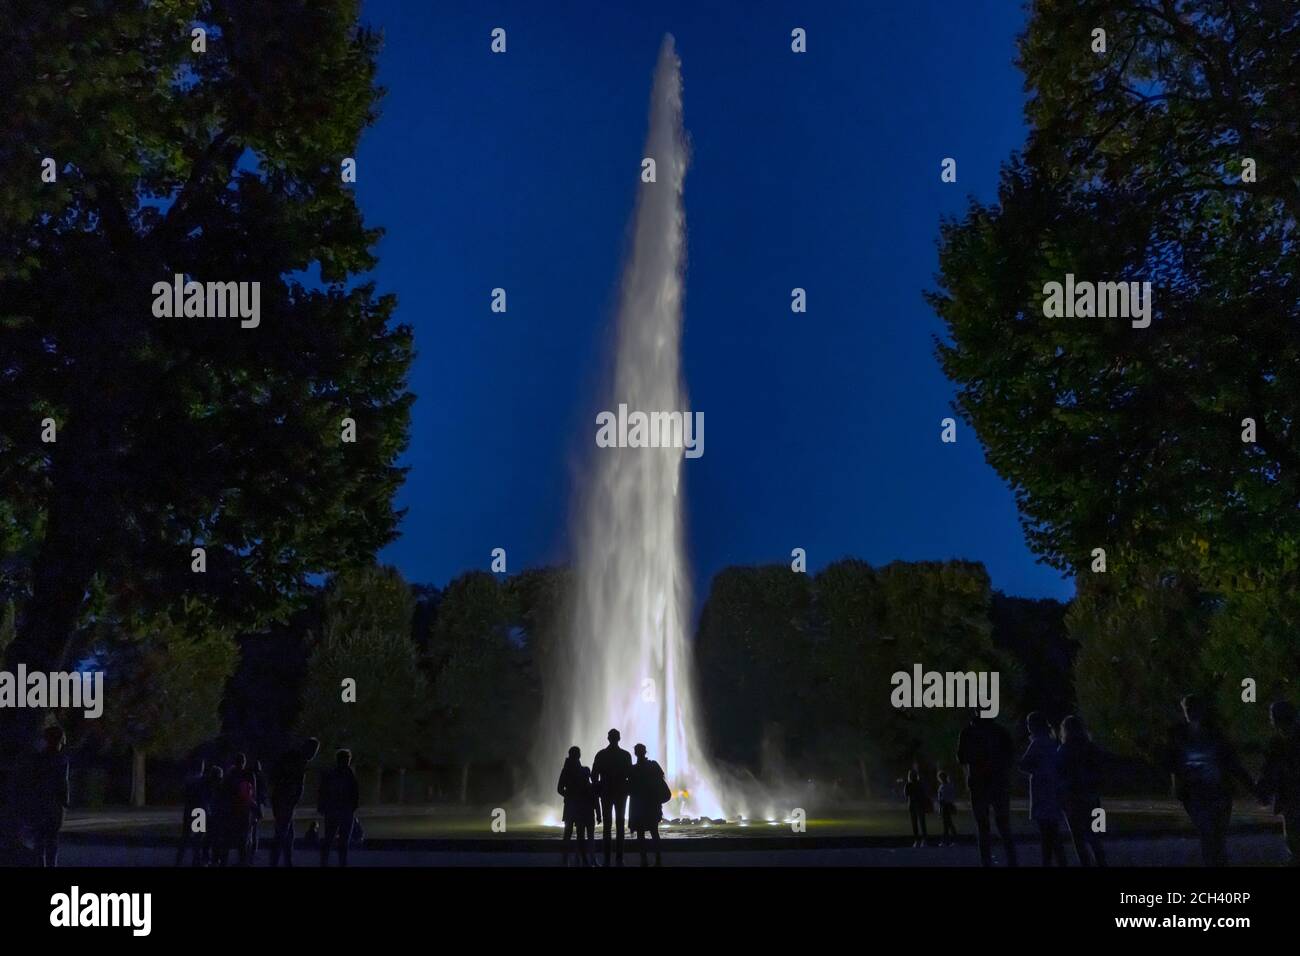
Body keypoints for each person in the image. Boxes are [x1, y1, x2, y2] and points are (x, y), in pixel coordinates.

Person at [1162, 694, 1253, 866]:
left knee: (1216, 837)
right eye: (1187, 709)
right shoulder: (1179, 735)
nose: (1190, 713)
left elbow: (1232, 763)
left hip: (1217, 792)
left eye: (1192, 709)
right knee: (1208, 835)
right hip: (1196, 794)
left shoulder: (1214, 735)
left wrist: (1251, 787)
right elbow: (1171, 764)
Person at [956, 709, 1018, 866]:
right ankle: (1012, 860)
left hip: (978, 782)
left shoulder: (968, 732)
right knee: (1003, 824)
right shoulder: (1000, 731)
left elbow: (961, 757)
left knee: (983, 825)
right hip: (999, 781)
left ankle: (986, 861)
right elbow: (1010, 755)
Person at [1057, 714, 1107, 866]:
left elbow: (1059, 773)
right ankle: (1101, 863)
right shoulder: (1092, 748)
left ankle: (1085, 863)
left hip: (1073, 798)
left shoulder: (1064, 750)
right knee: (1095, 836)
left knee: (1078, 837)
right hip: (1093, 797)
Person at [1019, 712, 1067, 866]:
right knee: (1053, 832)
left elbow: (1023, 764)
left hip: (1041, 790)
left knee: (1046, 833)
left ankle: (1047, 862)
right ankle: (1060, 861)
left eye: (1029, 724)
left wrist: (1035, 770)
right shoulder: (1053, 743)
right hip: (1053, 790)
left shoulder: (1037, 743)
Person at [1256, 700, 1300, 865]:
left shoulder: (1279, 742)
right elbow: (1269, 769)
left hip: (1290, 797)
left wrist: (1263, 792)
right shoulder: (1278, 742)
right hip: (1290, 798)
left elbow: (1269, 769)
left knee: (1294, 843)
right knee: (1294, 843)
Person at [270, 737, 320, 867]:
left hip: (282, 798)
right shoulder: (298, 761)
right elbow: (295, 784)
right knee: (283, 832)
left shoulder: (295, 758)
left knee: (287, 833)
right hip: (285, 800)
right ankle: (276, 861)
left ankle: (285, 860)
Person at [590, 728, 632, 866]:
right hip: (620, 793)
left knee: (607, 826)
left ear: (608, 738)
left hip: (606, 792)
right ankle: (619, 858)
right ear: (618, 738)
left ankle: (607, 858)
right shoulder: (625, 755)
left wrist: (598, 787)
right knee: (620, 825)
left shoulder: (601, 755)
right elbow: (630, 776)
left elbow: (594, 775)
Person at [29, 726, 69, 867]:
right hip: (53, 803)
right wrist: (65, 801)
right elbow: (63, 782)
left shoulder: (38, 759)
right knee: (51, 840)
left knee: (39, 841)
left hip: (40, 802)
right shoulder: (61, 759)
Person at [557, 746, 598, 867]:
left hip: (571, 805)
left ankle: (568, 858)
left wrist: (568, 796)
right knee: (577, 833)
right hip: (578, 805)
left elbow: (559, 789)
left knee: (568, 832)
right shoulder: (582, 770)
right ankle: (580, 858)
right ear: (578, 755)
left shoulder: (566, 770)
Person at [317, 748, 360, 866]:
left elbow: (322, 791)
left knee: (329, 837)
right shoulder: (349, 774)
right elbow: (355, 793)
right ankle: (341, 862)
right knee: (343, 839)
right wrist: (353, 807)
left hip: (333, 810)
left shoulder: (331, 773)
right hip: (344, 810)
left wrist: (322, 806)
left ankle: (324, 861)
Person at [627, 743, 667, 867]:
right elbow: (661, 779)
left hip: (639, 805)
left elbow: (629, 787)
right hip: (651, 804)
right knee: (654, 832)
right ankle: (658, 858)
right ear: (645, 752)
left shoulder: (633, 769)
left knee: (640, 834)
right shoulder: (653, 766)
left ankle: (643, 859)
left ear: (635, 753)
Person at [218, 753, 259, 867]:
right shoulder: (249, 775)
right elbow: (253, 794)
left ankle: (224, 861)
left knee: (228, 838)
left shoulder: (230, 775)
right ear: (244, 762)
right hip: (244, 810)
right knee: (244, 838)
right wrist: (255, 810)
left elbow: (224, 793)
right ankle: (243, 861)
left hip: (232, 810)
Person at [176, 758, 208, 867]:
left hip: (189, 809)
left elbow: (183, 794)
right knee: (198, 838)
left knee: (185, 836)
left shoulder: (188, 780)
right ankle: (196, 860)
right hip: (199, 810)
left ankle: (179, 860)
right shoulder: (202, 780)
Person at [904, 769, 930, 847]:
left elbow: (906, 794)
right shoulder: (919, 784)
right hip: (918, 805)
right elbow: (924, 794)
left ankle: (918, 840)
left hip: (914, 805)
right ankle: (923, 840)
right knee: (921, 823)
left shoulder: (909, 784)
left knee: (916, 823)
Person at [936, 770, 958, 846]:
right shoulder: (948, 786)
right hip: (946, 805)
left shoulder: (944, 786)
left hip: (945, 806)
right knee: (948, 823)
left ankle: (948, 840)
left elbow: (944, 797)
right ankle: (951, 840)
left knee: (947, 824)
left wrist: (942, 802)